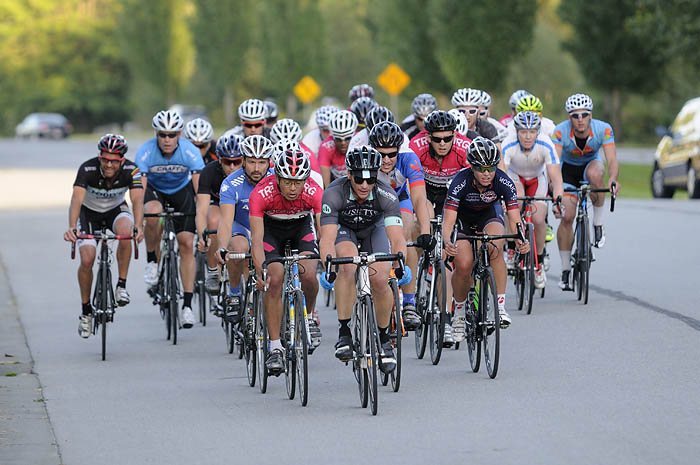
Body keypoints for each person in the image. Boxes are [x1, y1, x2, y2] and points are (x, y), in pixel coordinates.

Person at [318, 146, 409, 374]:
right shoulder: (333, 192)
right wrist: (328, 264)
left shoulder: (386, 193)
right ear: (348, 174)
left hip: (373, 231)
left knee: (380, 279)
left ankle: (384, 338)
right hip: (345, 231)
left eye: (371, 178)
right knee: (347, 266)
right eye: (359, 178)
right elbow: (327, 238)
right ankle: (345, 332)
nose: (365, 185)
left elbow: (397, 238)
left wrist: (400, 264)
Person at [442, 137, 530, 341]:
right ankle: (460, 314)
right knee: (463, 264)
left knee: (495, 247)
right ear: (472, 167)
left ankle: (499, 306)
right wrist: (447, 241)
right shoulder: (459, 182)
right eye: (481, 169)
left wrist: (520, 237)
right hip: (462, 219)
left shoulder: (503, 181)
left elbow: (514, 216)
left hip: (488, 215)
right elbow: (448, 221)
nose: (486, 173)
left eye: (490, 168)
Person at [249, 149, 323, 374]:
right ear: (277, 178)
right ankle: (274, 347)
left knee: (308, 274)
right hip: (272, 232)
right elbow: (257, 239)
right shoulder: (261, 193)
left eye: (298, 182)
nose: (293, 188)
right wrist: (261, 269)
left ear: (306, 180)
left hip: (301, 228)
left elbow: (324, 230)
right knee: (274, 279)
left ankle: (309, 316)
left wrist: (329, 258)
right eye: (288, 182)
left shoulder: (314, 191)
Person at [64, 134, 144, 338]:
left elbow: (137, 200)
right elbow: (76, 200)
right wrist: (72, 227)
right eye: (105, 159)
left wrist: (139, 226)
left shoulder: (132, 170)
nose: (108, 164)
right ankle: (85, 312)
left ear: (122, 160)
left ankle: (121, 286)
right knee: (88, 258)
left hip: (116, 209)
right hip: (88, 212)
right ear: (99, 157)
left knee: (127, 233)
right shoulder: (87, 169)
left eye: (113, 161)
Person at [136, 110, 204, 328]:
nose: (167, 140)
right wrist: (138, 223)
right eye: (163, 135)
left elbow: (199, 194)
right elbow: (139, 193)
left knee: (185, 243)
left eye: (172, 135)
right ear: (156, 134)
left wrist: (201, 228)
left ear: (179, 135)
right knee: (153, 213)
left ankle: (187, 306)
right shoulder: (146, 153)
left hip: (181, 193)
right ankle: (152, 262)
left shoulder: (190, 152)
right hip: (155, 191)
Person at [552, 93, 620, 290]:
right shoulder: (559, 132)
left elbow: (612, 159)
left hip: (590, 167)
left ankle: (598, 224)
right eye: (575, 116)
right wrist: (555, 191)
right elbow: (554, 164)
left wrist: (613, 179)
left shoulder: (604, 129)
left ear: (591, 115)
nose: (580, 119)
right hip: (567, 173)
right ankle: (565, 271)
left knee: (596, 174)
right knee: (567, 218)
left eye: (584, 115)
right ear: (569, 117)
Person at [368, 122, 431, 330]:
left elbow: (419, 198)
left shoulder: (409, 157)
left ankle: (409, 302)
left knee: (405, 233)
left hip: (400, 197)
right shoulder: (365, 157)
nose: (386, 160)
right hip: (374, 199)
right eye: (381, 154)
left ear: (398, 150)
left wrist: (425, 231)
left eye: (391, 154)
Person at [501, 112, 564, 288]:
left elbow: (556, 177)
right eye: (523, 132)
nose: (527, 136)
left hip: (537, 179)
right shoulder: (509, 143)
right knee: (513, 204)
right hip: (515, 177)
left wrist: (558, 199)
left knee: (538, 218)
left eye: (531, 132)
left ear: (537, 132)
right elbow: (502, 173)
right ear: (517, 132)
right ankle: (511, 247)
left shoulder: (545, 143)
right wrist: (503, 200)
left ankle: (539, 260)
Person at [216, 135, 274, 322]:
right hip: (240, 225)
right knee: (239, 248)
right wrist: (222, 247)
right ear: (243, 161)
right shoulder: (230, 184)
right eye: (251, 162)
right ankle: (234, 293)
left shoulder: (277, 179)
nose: (257, 168)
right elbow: (225, 221)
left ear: (269, 162)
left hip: (267, 228)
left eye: (262, 162)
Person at [195, 133, 243, 297]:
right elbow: (201, 209)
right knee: (214, 221)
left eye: (236, 162)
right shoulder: (209, 171)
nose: (231, 166)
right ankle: (213, 271)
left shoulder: (249, 172)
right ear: (219, 159)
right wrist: (202, 235)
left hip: (242, 207)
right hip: (218, 205)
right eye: (227, 162)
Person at [319, 110, 358, 187]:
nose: (343, 143)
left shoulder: (359, 142)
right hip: (336, 182)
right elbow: (326, 185)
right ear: (332, 137)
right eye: (338, 139)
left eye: (347, 138)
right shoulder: (326, 146)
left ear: (353, 135)